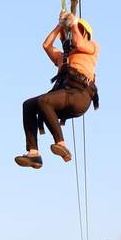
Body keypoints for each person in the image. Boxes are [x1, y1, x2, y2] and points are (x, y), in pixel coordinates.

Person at [16, 11, 99, 169]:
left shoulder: (92, 47)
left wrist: (73, 23)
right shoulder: (63, 57)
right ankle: (33, 154)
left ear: (85, 34)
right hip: (64, 95)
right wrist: (60, 26)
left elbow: (79, 43)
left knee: (44, 101)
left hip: (79, 95)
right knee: (29, 105)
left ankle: (61, 144)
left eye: (77, 30)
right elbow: (46, 45)